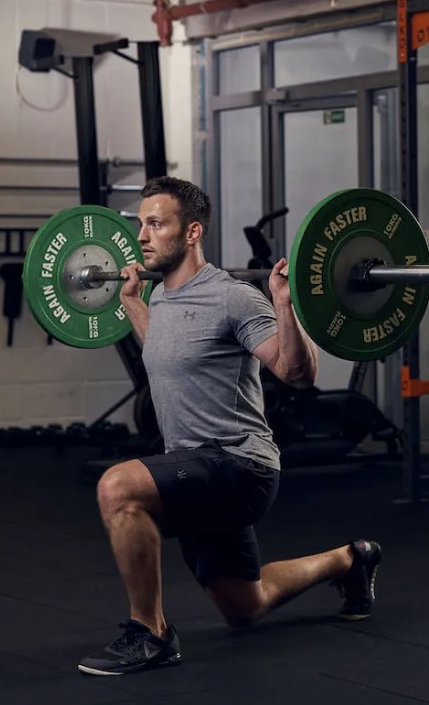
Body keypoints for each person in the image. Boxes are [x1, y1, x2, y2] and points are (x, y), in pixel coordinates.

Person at [78, 176, 381, 676]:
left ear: (192, 232)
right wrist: (131, 303)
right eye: (140, 225)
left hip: (239, 463)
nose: (142, 236)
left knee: (118, 488)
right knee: (245, 605)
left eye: (156, 224)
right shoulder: (160, 298)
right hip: (195, 467)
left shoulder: (234, 298)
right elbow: (169, 355)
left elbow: (296, 374)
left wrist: (284, 305)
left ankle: (150, 634)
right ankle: (350, 560)